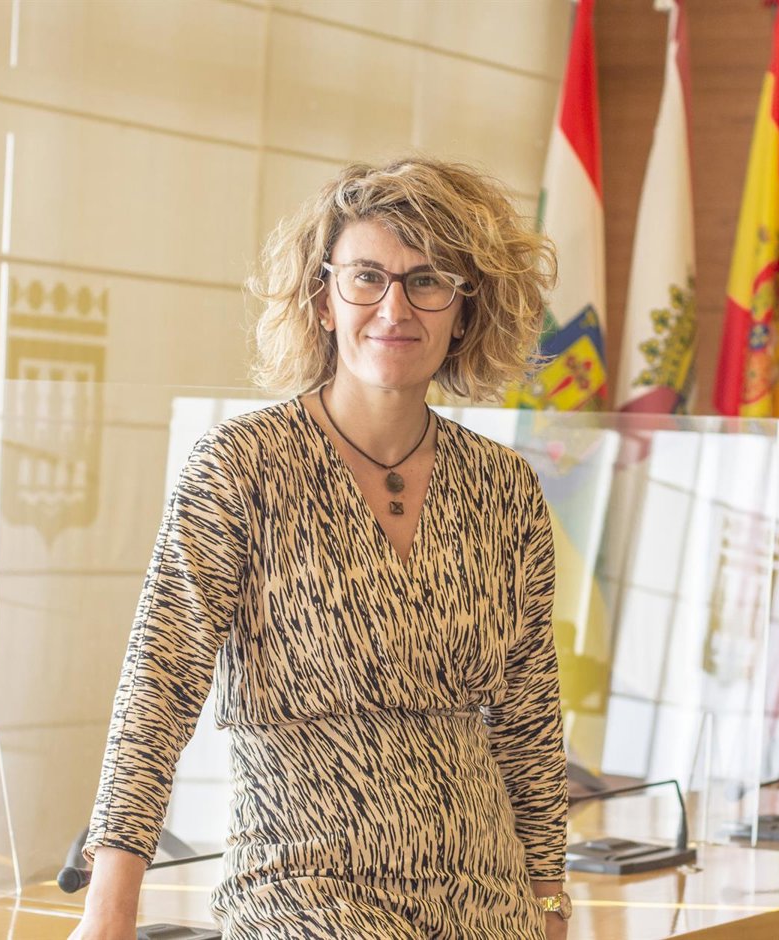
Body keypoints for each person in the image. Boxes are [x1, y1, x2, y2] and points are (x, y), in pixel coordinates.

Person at [70, 157, 569, 940]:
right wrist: (109, 910)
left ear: (465, 309)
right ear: (323, 300)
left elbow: (529, 719)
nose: (394, 307)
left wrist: (549, 904)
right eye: (367, 277)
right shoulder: (240, 466)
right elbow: (157, 688)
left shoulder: (504, 488)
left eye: (427, 280)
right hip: (302, 894)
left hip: (486, 901)